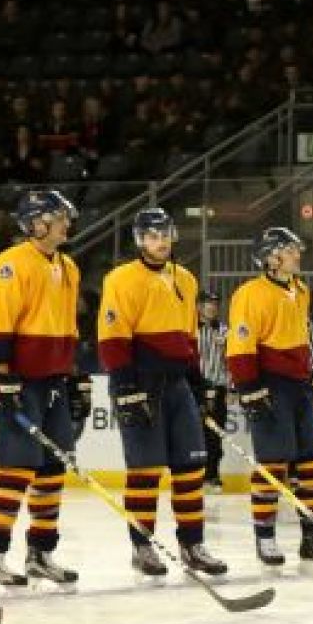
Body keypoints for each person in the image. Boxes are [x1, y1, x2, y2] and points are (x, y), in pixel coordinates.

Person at [97, 208, 227, 577]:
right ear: (140, 240)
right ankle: (142, 546)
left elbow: (188, 338)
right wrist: (124, 387)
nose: (161, 242)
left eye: (165, 234)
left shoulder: (185, 278)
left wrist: (198, 383)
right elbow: (112, 337)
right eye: (153, 236)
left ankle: (192, 544)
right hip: (140, 385)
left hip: (178, 386)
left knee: (190, 467)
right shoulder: (121, 279)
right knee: (145, 470)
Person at [0, 189, 89, 587]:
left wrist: (74, 375)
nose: (66, 223)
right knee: (18, 467)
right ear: (36, 223)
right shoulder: (10, 264)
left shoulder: (69, 267)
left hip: (53, 380)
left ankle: (41, 553)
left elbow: (67, 326)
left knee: (54, 467)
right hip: (15, 381)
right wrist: (2, 374)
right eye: (58, 217)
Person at [227, 227, 313, 566]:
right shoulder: (249, 294)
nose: (298, 254)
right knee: (273, 463)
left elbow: (298, 337)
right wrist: (249, 388)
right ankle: (265, 538)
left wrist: (312, 371)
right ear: (272, 256)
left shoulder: (301, 289)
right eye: (291, 249)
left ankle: (311, 538)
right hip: (269, 385)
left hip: (298, 386)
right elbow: (240, 346)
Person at [197, 288, 228, 492]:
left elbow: (231, 361)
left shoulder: (225, 330)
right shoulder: (190, 329)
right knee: (193, 433)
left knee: (214, 434)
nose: (213, 307)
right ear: (199, 306)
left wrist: (232, 387)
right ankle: (194, 474)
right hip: (196, 388)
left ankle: (212, 475)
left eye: (216, 304)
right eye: (209, 303)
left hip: (217, 388)